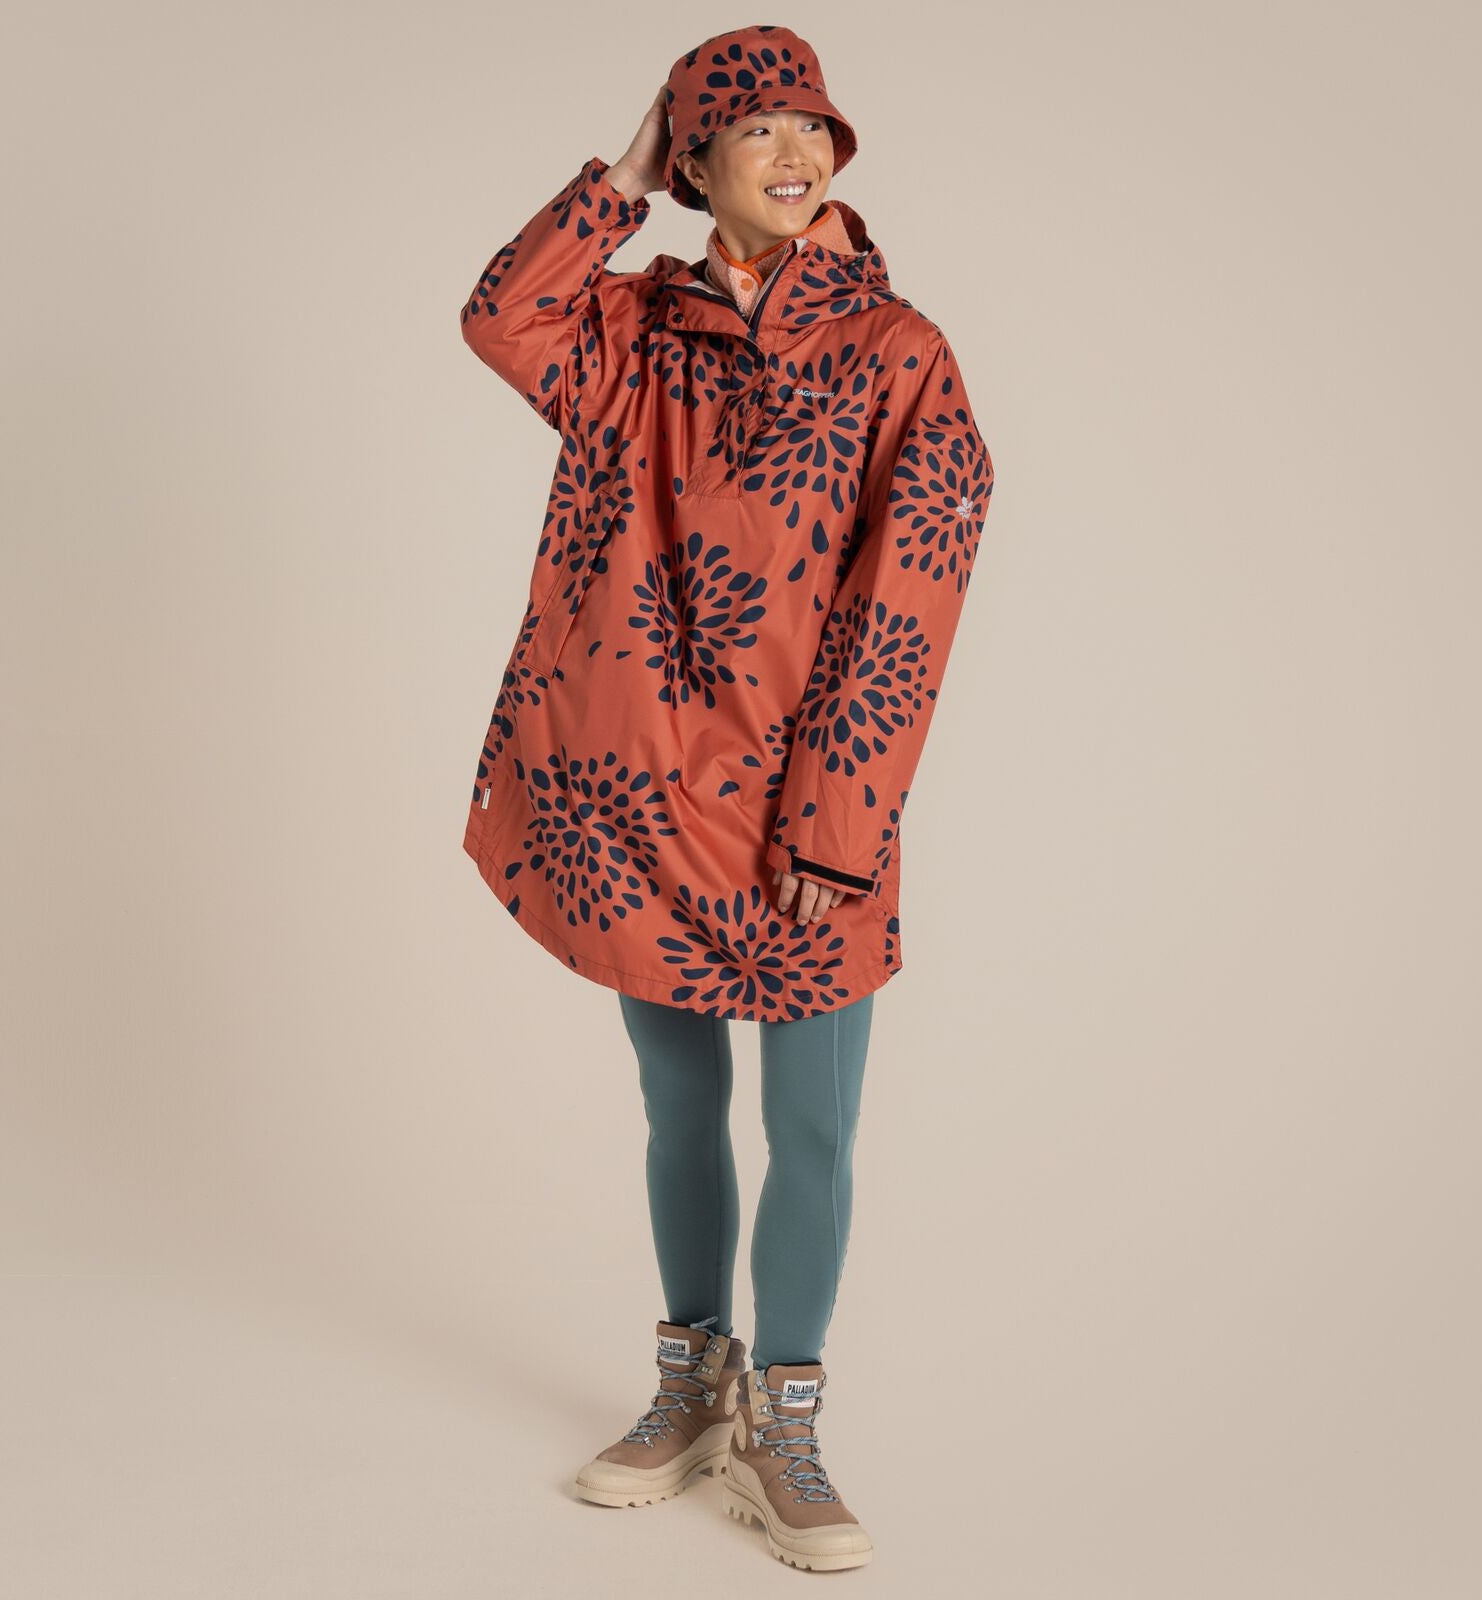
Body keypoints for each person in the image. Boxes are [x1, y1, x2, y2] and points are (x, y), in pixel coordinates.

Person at [458, 24, 994, 1571]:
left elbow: (914, 594)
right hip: (636, 801)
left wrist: (840, 818)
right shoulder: (628, 334)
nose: (795, 148)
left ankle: (787, 1423)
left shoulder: (900, 353)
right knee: (679, 1103)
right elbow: (500, 316)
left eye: (812, 122)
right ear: (696, 160)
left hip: (806, 820)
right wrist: (622, 174)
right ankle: (690, 1389)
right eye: (753, 126)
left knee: (810, 1126)